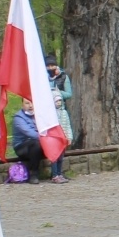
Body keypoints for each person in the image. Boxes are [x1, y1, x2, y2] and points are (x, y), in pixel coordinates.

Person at [46, 55, 73, 184]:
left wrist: (57, 93)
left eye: (52, 65)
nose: (50, 68)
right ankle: (54, 173)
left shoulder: (63, 77)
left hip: (60, 108)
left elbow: (69, 93)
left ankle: (59, 172)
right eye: (48, 66)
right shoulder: (43, 77)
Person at [9, 98, 47, 184]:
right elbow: (30, 133)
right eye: (27, 103)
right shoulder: (18, 118)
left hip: (40, 143)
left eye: (32, 103)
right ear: (22, 105)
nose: (30, 106)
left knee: (57, 142)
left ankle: (57, 173)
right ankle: (33, 174)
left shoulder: (38, 114)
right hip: (22, 147)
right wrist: (47, 139)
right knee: (36, 144)